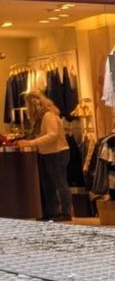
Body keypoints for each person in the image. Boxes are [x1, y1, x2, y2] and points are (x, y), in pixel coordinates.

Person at [22, 92, 69, 220]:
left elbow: (52, 135)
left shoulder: (48, 116)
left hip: (57, 152)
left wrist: (31, 143)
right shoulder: (42, 118)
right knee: (48, 184)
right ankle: (51, 211)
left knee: (59, 183)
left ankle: (65, 213)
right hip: (47, 153)